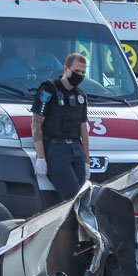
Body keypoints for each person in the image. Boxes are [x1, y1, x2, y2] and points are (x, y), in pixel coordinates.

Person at [31, 53, 91, 202]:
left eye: (83, 72)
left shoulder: (80, 95)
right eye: (76, 71)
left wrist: (87, 161)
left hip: (76, 150)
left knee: (84, 199)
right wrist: (41, 158)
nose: (80, 75)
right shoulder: (49, 89)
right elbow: (36, 124)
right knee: (74, 200)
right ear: (65, 68)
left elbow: (83, 129)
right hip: (56, 150)